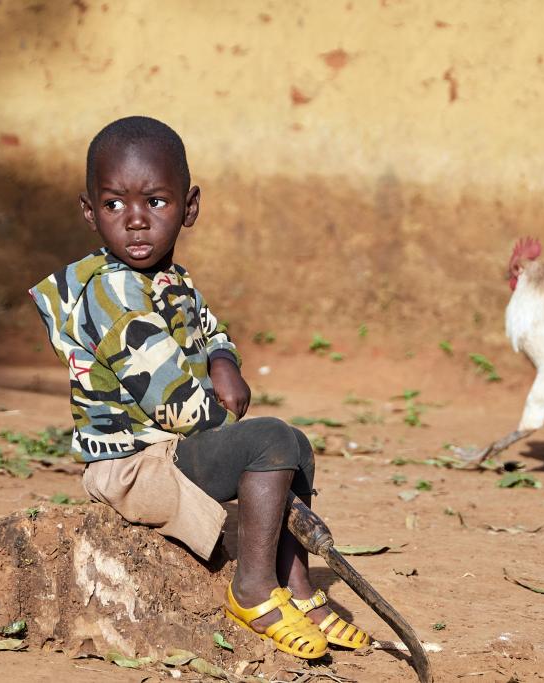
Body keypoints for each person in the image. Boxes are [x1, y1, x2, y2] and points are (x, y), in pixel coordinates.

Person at [29, 116, 368, 659]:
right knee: (272, 442)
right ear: (90, 212)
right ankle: (252, 590)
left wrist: (223, 359)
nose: (135, 221)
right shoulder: (111, 293)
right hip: (133, 466)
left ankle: (296, 584)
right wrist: (247, 439)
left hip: (170, 450)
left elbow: (210, 328)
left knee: (296, 446)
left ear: (188, 207)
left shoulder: (170, 278)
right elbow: (174, 405)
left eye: (156, 203)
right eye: (115, 204)